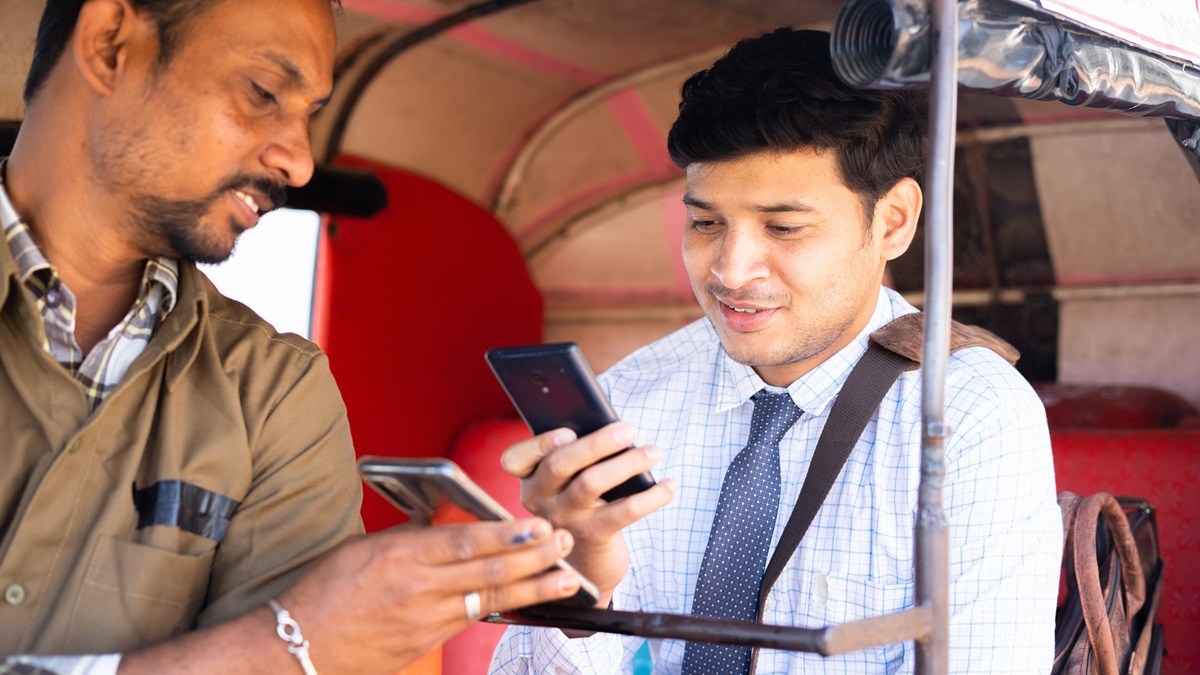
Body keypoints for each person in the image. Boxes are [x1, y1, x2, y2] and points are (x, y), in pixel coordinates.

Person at [0, 1, 584, 673]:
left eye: (308, 114)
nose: (300, 162)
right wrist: (276, 646)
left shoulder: (277, 391)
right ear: (108, 45)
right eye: (263, 93)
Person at [490, 28, 1062, 674]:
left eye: (784, 227)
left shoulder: (970, 417)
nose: (731, 270)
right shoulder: (631, 399)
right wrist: (583, 576)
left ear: (893, 221)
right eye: (706, 222)